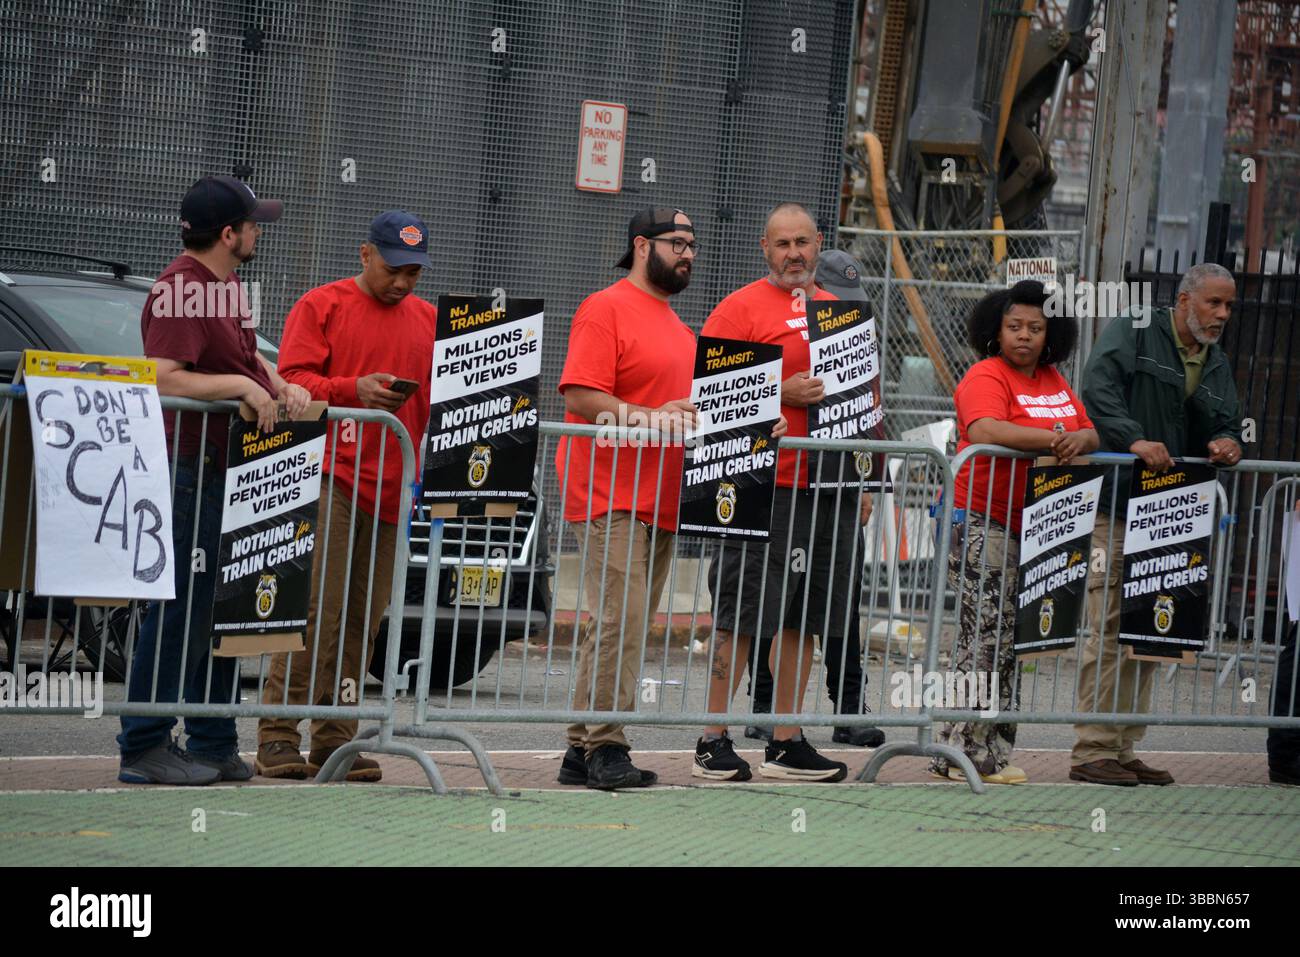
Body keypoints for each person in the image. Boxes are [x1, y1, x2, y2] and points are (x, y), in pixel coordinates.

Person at [118, 175, 311, 784]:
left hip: (228, 470)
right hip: (191, 471)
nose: (260, 232)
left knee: (224, 610)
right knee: (182, 609)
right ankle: (144, 743)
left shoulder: (222, 289)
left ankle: (211, 737)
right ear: (228, 234)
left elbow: (240, 360)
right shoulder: (180, 287)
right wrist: (243, 386)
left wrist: (276, 381)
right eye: (254, 225)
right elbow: (162, 377)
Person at [693, 204, 877, 784]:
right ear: (763, 249)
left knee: (805, 616)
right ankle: (711, 739)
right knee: (743, 613)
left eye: (803, 242)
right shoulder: (737, 310)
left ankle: (785, 740)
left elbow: (863, 400)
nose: (794, 253)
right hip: (760, 489)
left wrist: (866, 477)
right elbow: (707, 396)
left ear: (819, 243)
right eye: (782, 244)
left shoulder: (841, 313)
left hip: (829, 487)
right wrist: (781, 391)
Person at [255, 211, 438, 782]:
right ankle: (278, 733)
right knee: (317, 609)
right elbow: (291, 382)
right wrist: (348, 390)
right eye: (393, 268)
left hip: (392, 485)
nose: (404, 282)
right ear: (365, 255)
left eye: (413, 271)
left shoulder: (430, 319)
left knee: (364, 616)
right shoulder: (322, 305)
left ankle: (335, 737)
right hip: (328, 473)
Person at [1071, 261, 1244, 785]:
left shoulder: (1214, 362)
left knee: (1150, 630)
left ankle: (1123, 746)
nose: (1222, 314)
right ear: (1185, 300)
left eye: (1229, 306)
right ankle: (1091, 749)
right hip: (1118, 506)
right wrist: (1133, 439)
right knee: (1107, 625)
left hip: (1170, 513)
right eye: (1214, 303)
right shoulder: (1135, 330)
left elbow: (1227, 420)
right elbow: (1097, 391)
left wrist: (1229, 442)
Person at [553, 207, 701, 791]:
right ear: (643, 245)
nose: (688, 253)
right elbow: (582, 394)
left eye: (693, 245)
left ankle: (579, 747)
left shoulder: (682, 330)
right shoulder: (605, 306)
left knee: (619, 622)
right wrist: (646, 416)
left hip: (660, 496)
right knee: (624, 617)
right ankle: (607, 747)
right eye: (677, 243)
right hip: (608, 490)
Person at [928, 280, 1097, 785]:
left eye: (1036, 328)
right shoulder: (987, 374)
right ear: (996, 330)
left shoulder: (1053, 380)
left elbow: (1087, 428)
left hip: (1038, 525)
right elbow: (984, 429)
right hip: (982, 521)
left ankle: (993, 752)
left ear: (1051, 335)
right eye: (1015, 326)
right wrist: (1057, 438)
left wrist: (1078, 436)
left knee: (1011, 640)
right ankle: (958, 749)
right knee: (984, 636)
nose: (1024, 336)